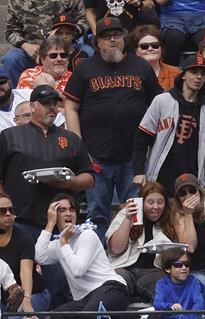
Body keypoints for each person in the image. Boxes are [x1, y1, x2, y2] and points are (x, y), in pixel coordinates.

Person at [64, 16, 161, 244]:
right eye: (107, 37)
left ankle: (133, 256)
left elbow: (159, 104)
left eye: (117, 36)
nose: (113, 40)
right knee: (97, 212)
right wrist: (79, 146)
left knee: (134, 211)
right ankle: (98, 259)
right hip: (97, 155)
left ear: (124, 39)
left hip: (134, 156)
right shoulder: (85, 68)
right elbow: (70, 106)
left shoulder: (141, 66)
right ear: (97, 42)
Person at [0, 84, 94, 240]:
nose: (52, 108)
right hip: (20, 221)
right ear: (32, 106)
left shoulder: (70, 139)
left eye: (55, 104)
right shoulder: (10, 136)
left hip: (60, 225)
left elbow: (89, 179)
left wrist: (69, 182)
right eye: (45, 103)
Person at [133, 53, 205, 196]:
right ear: (183, 75)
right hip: (160, 178)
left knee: (189, 218)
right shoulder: (162, 101)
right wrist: (138, 171)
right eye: (194, 72)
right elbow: (142, 138)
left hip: (192, 183)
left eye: (203, 74)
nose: (199, 77)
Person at [35, 194, 129, 319]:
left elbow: (77, 270)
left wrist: (63, 241)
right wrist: (50, 224)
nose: (68, 214)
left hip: (111, 288)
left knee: (90, 314)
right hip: (84, 300)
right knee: (57, 317)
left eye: (71, 210)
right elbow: (39, 256)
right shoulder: (58, 243)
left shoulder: (87, 234)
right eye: (62, 210)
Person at [106, 181, 176, 301]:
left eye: (160, 202)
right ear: (142, 203)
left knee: (165, 292)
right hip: (124, 267)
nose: (156, 207)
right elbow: (115, 249)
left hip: (153, 271)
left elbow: (182, 250)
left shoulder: (169, 220)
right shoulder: (126, 214)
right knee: (114, 288)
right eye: (150, 202)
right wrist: (128, 219)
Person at [3, 0, 87, 89]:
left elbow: (84, 20)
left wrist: (70, 35)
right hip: (31, 49)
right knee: (11, 58)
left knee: (87, 51)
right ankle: (18, 96)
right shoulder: (16, 2)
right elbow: (11, 31)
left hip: (64, 47)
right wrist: (25, 45)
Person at [170, 174, 205, 307]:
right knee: (203, 286)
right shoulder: (179, 216)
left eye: (192, 191)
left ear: (200, 192)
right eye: (183, 193)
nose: (188, 196)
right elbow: (190, 247)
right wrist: (188, 214)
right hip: (197, 269)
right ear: (178, 199)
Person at [0, 193, 51, 319]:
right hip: (4, 300)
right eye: (2, 210)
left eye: (11, 210)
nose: (8, 214)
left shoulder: (24, 238)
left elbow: (26, 272)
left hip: (34, 294)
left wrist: (26, 300)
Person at [150, 250, 205, 319]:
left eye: (186, 264)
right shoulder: (162, 283)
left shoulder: (194, 282)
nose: (184, 268)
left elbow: (200, 303)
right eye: (178, 265)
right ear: (168, 269)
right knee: (152, 318)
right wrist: (170, 306)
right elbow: (157, 303)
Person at [126, 25, 181, 90]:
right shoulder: (127, 75)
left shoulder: (176, 73)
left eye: (155, 45)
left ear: (161, 48)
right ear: (135, 51)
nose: (150, 49)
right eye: (144, 46)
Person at [157, 0, 205, 66]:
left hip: (201, 16)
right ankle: (171, 73)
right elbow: (160, 1)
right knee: (174, 38)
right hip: (172, 16)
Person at [85, 0, 159, 36]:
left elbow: (150, 4)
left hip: (132, 33)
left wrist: (140, 3)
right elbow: (89, 11)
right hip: (105, 33)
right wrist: (95, 32)